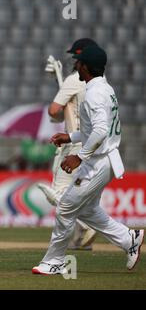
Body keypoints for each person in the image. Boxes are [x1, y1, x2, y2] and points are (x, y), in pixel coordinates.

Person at [32, 45, 144, 275]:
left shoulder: (94, 93)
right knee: (87, 210)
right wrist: (70, 136)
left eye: (78, 63)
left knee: (65, 206)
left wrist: (78, 156)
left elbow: (101, 131)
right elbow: (95, 129)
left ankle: (55, 260)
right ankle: (128, 238)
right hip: (106, 158)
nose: (75, 66)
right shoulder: (105, 88)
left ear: (86, 67)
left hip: (99, 160)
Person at [37, 38, 99, 250]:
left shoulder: (74, 80)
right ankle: (80, 238)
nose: (75, 62)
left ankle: (86, 223)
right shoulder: (101, 83)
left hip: (74, 143)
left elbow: (54, 112)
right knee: (83, 191)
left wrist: (61, 85)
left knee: (60, 191)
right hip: (94, 142)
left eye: (77, 58)